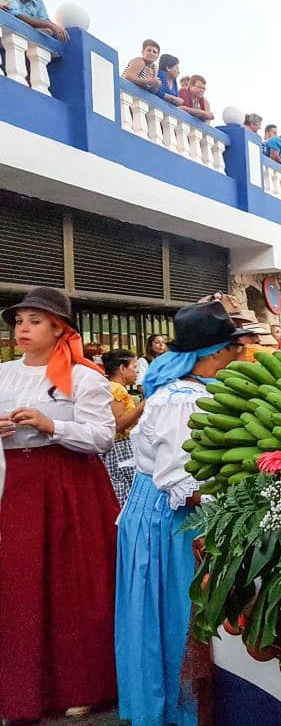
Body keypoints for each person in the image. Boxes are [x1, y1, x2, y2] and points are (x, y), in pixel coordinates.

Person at [115, 302, 247, 726]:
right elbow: (179, 480)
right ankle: (178, 708)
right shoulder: (180, 402)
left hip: (159, 510)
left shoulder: (193, 391)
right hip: (167, 517)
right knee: (176, 613)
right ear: (212, 354)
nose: (240, 357)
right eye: (233, 350)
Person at [0, 287, 117, 721]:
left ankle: (83, 683)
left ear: (59, 328)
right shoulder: (3, 374)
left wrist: (53, 425)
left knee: (74, 582)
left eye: (34, 320)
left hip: (70, 482)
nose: (23, 329)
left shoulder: (83, 376)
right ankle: (22, 691)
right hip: (17, 482)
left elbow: (103, 436)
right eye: (18, 321)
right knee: (20, 583)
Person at [100, 348, 143, 506]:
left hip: (121, 446)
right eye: (134, 367)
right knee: (124, 492)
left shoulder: (113, 387)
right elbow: (118, 424)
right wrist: (142, 407)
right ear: (122, 369)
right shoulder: (116, 389)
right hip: (119, 447)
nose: (137, 372)